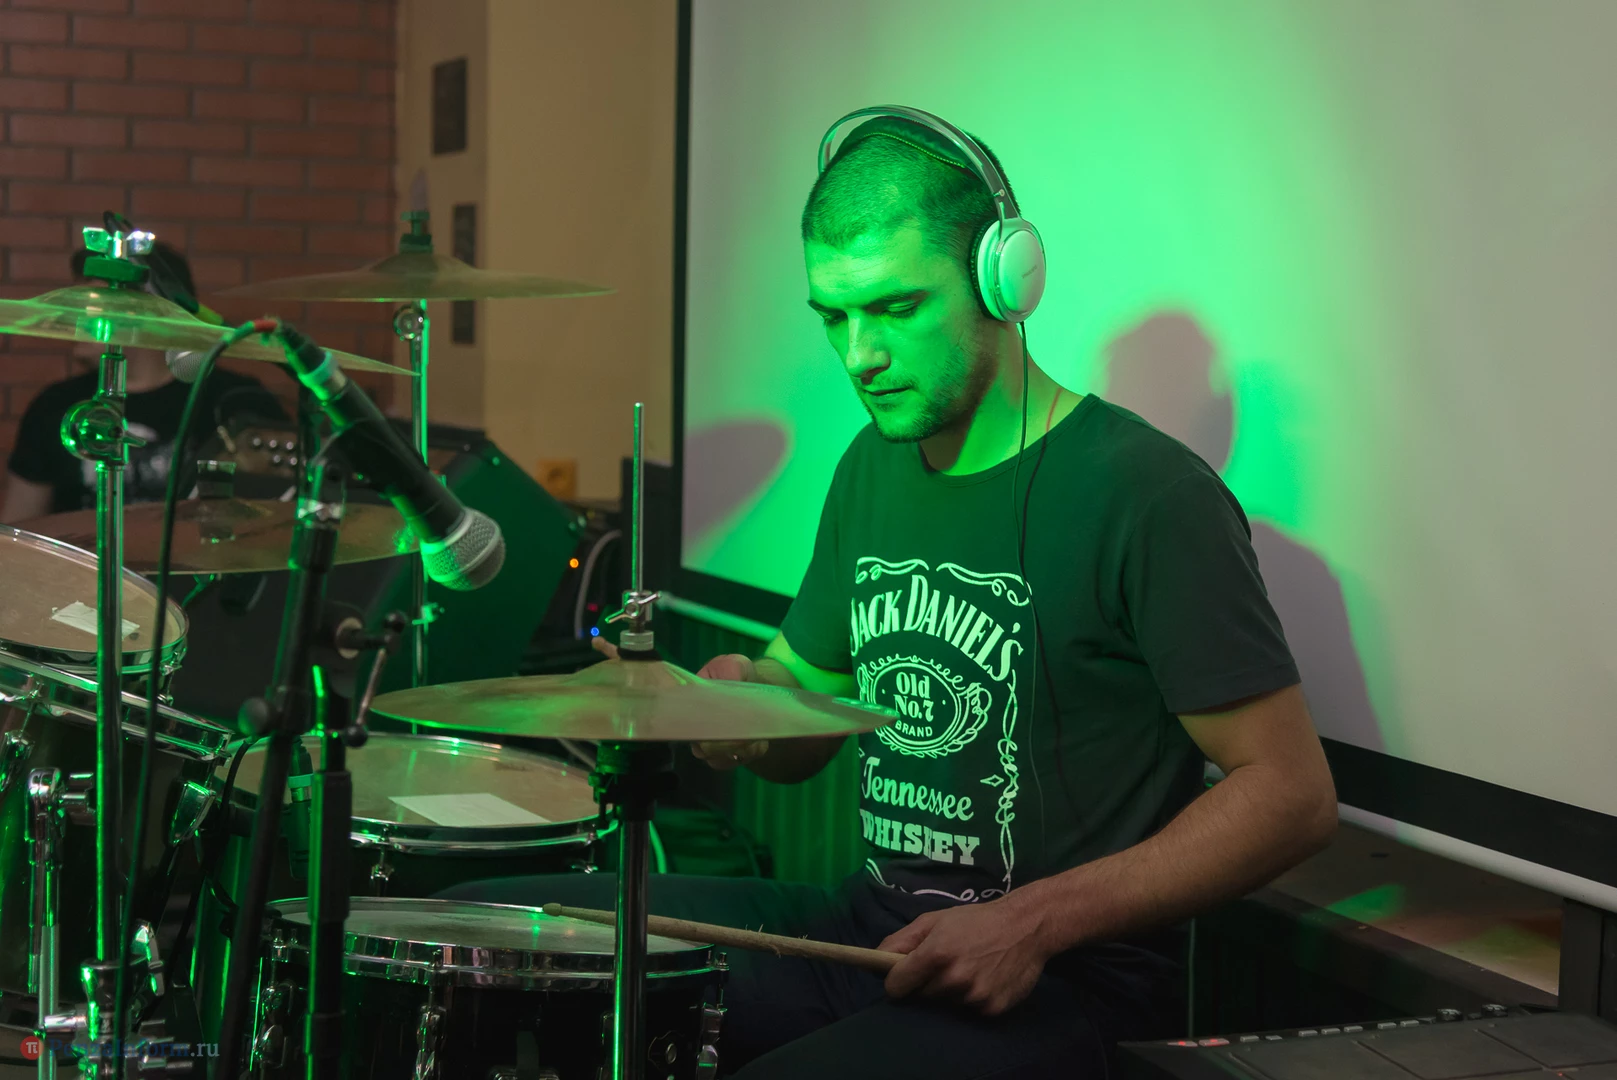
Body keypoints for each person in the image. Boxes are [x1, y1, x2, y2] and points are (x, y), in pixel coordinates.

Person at [444, 108, 1338, 1078]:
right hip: (866, 938)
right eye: (834, 316)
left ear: (1002, 281)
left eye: (896, 307)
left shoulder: (1148, 495)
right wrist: (738, 699)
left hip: (1062, 983)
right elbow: (803, 714)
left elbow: (1290, 795)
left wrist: (1031, 923)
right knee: (492, 934)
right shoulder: (872, 466)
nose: (859, 354)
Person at [2, 244, 284, 522]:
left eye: (92, 305)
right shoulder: (56, 405)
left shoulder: (238, 402)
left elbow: (276, 523)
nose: (76, 318)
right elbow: (19, 528)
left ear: (145, 311)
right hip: (83, 554)